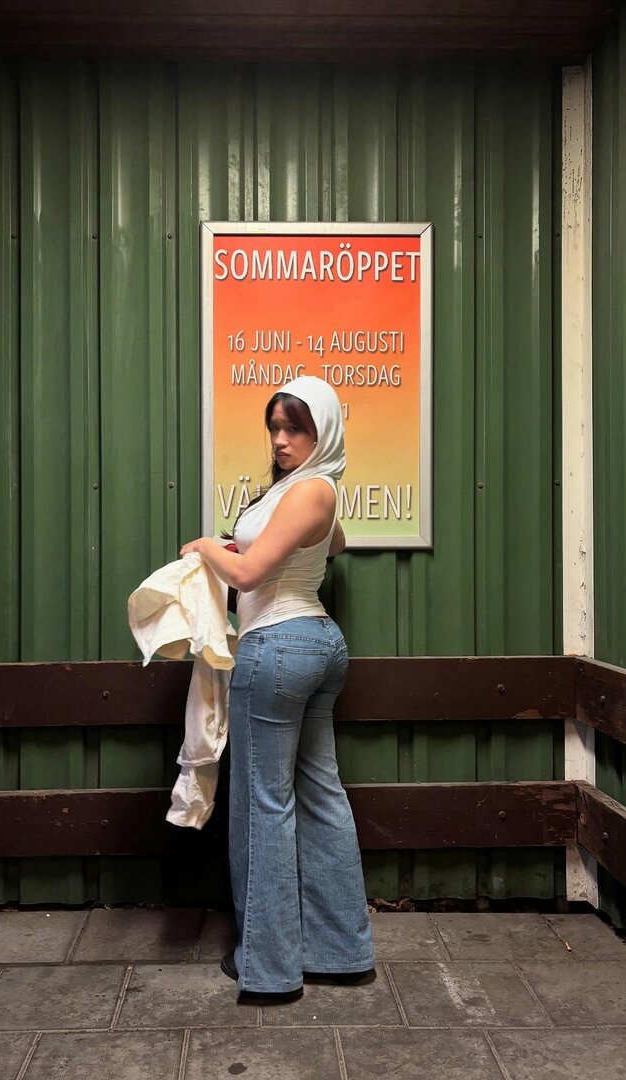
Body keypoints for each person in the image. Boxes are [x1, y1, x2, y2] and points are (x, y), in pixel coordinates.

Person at [179, 375, 375, 1005]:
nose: (281, 439)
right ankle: (340, 952)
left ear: (324, 431)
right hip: (314, 645)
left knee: (264, 802)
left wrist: (205, 546)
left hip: (279, 647)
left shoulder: (312, 488)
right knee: (320, 794)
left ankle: (268, 968)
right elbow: (332, 543)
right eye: (275, 427)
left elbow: (247, 573)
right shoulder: (312, 491)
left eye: (296, 428)